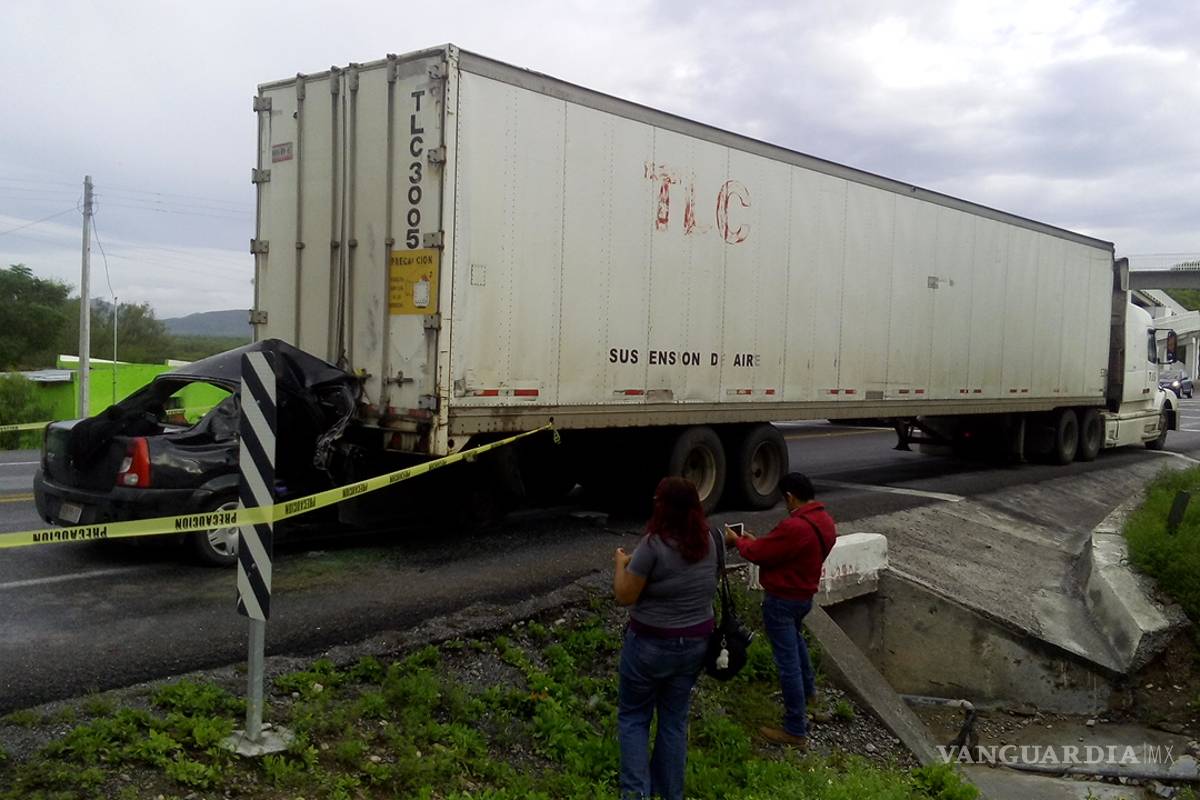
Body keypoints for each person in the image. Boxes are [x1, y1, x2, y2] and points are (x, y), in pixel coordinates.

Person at [613, 477, 719, 800]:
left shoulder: (653, 544)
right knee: (673, 722)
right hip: (696, 643)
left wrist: (620, 564)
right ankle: (672, 794)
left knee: (634, 718)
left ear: (663, 507)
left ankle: (636, 794)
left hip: (650, 643)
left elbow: (625, 595)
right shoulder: (709, 539)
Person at [724, 472, 836, 748]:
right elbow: (782, 550)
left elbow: (759, 554)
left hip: (782, 601)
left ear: (790, 496)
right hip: (803, 597)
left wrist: (738, 541)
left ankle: (795, 729)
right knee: (797, 646)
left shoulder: (794, 526)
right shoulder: (824, 521)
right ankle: (810, 696)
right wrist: (756, 541)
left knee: (788, 664)